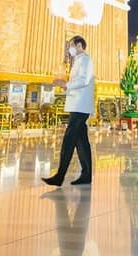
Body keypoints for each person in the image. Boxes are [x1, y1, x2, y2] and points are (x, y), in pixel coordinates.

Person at [43, 36, 95, 186]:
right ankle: (86, 175)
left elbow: (84, 80)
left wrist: (66, 84)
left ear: (79, 45)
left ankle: (60, 176)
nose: (69, 48)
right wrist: (65, 86)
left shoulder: (85, 59)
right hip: (77, 105)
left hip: (81, 106)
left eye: (71, 45)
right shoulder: (77, 61)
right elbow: (75, 83)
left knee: (69, 140)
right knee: (81, 141)